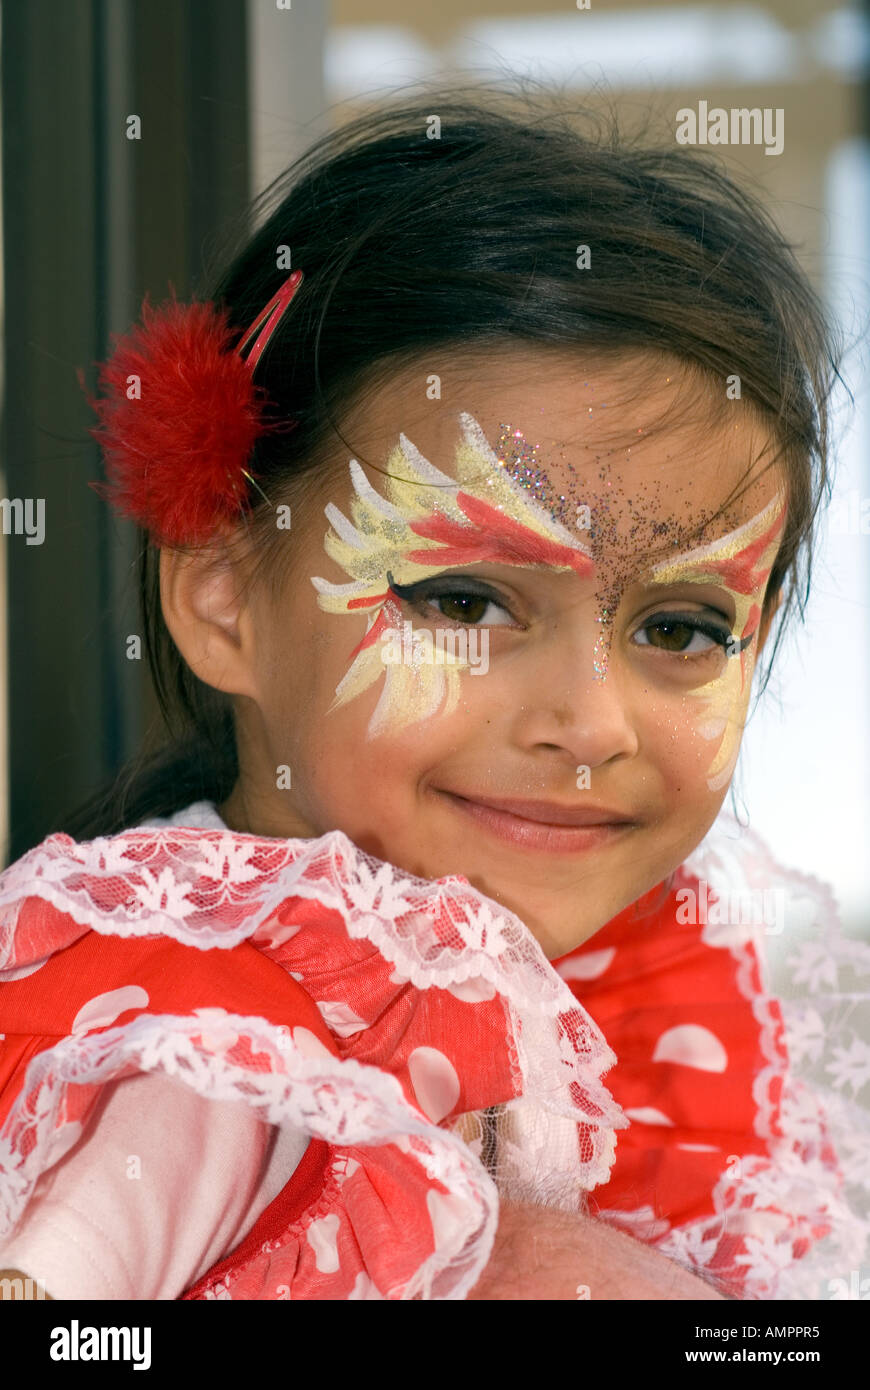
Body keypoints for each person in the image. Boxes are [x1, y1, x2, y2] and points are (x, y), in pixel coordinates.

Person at [0, 88, 868, 1302]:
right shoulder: (196, 1053)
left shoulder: (682, 1023)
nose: (592, 724)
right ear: (222, 598)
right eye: (465, 603)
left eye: (681, 626)